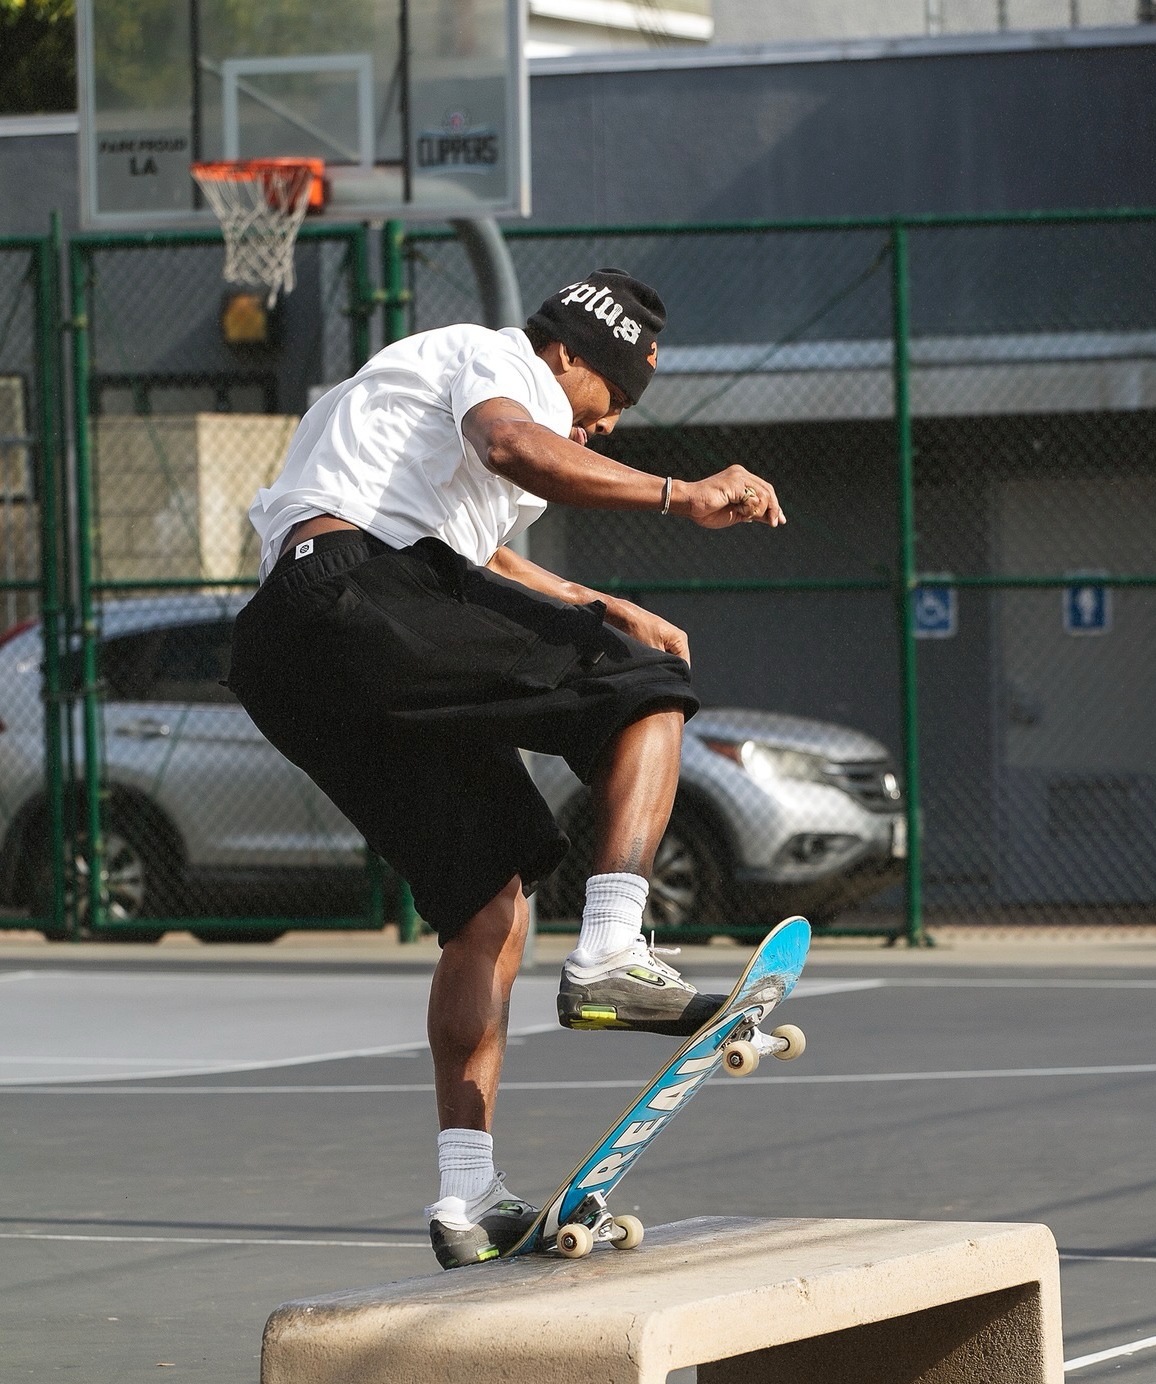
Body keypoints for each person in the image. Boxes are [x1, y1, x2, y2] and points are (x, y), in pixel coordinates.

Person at [229, 268, 784, 1268]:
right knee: (650, 691)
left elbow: (483, 564)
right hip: (359, 592)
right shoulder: (498, 362)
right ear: (572, 352)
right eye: (613, 404)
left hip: (294, 652)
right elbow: (512, 445)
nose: (607, 429)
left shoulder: (417, 436)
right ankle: (613, 951)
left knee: (490, 906)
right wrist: (683, 493)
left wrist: (604, 608)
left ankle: (466, 1192)